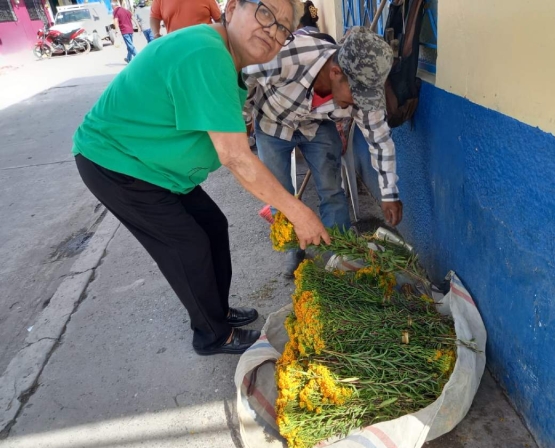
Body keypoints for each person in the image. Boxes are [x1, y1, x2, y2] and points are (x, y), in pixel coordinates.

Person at [72, 0, 329, 357]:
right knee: (186, 245)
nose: (273, 32)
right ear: (233, 6)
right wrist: (299, 212)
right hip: (118, 162)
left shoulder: (224, 56)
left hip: (155, 166)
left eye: (284, 28)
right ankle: (212, 335)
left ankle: (218, 311)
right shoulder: (206, 52)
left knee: (212, 225)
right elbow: (236, 157)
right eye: (266, 13)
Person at [243, 27, 403, 277]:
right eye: (356, 95)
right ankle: (294, 249)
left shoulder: (362, 92)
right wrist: (240, 124)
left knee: (332, 190)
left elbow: (380, 139)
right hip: (272, 123)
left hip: (317, 126)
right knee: (280, 193)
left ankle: (340, 254)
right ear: (336, 72)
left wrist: (389, 192)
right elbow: (246, 76)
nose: (361, 104)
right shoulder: (287, 56)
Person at [150, 0, 222, 38]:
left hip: (206, 43)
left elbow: (219, 20)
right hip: (177, 47)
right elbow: (154, 17)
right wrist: (156, 33)